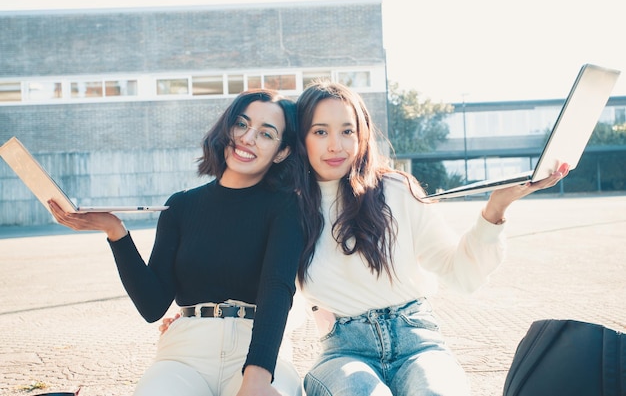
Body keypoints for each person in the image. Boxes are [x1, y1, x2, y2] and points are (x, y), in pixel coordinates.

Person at [293, 80, 569, 396]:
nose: (335, 146)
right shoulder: (290, 210)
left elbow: (461, 273)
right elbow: (274, 299)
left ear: (362, 135)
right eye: (320, 132)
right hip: (343, 353)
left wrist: (496, 208)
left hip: (417, 343)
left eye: (347, 131)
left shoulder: (396, 191)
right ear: (301, 138)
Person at [48, 89, 306, 396]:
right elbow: (153, 306)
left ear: (282, 151)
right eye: (241, 124)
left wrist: (257, 379)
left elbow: (277, 292)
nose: (248, 138)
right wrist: (114, 230)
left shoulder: (287, 207)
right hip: (185, 354)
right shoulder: (181, 207)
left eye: (266, 134)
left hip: (258, 349)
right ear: (227, 128)